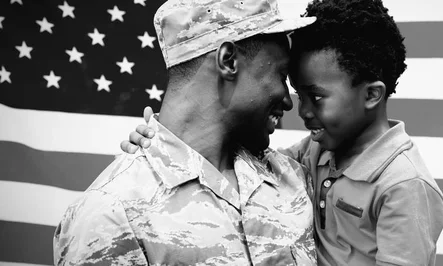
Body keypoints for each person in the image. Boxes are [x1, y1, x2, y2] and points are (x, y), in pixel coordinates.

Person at [122, 0, 443, 265]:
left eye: (316, 97)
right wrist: (162, 142)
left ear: (371, 95)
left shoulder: (405, 186)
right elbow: (252, 161)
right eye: (299, 95)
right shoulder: (317, 152)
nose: (302, 110)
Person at [53, 0, 317, 265]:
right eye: (281, 75)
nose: (288, 100)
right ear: (228, 61)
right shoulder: (109, 215)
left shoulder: (296, 177)